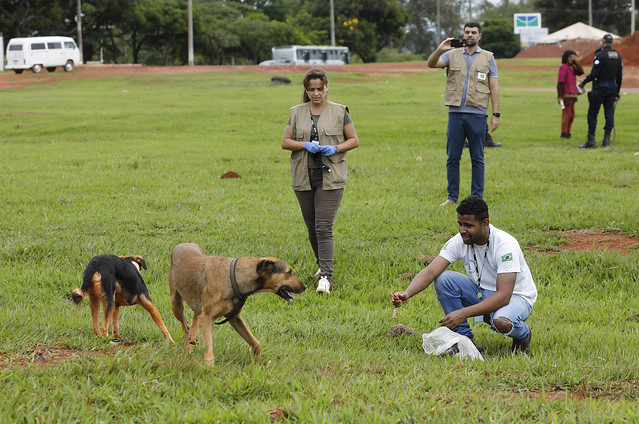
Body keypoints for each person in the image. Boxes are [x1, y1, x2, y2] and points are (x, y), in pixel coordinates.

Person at [391, 196, 537, 354]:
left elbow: (504, 296)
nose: (462, 230)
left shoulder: (505, 245)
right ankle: (463, 340)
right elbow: (430, 271)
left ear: (485, 223)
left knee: (500, 322)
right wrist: (406, 293)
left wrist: (463, 313)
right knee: (443, 279)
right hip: (483, 292)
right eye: (460, 224)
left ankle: (523, 335)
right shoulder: (460, 241)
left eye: (468, 225)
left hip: (516, 297)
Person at [281, 68, 359, 294]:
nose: (316, 93)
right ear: (306, 90)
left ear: (327, 87)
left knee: (324, 227)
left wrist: (336, 147)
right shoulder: (296, 112)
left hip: (331, 175)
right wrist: (304, 144)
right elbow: (285, 141)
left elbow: (353, 140)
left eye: (320, 89)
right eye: (311, 89)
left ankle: (325, 275)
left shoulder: (339, 111)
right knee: (312, 228)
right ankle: (321, 265)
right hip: (304, 174)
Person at [427, 22, 500, 207]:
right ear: (463, 34)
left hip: (478, 114)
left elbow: (494, 86)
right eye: (467, 32)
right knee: (452, 156)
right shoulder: (451, 54)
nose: (470, 35)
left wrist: (496, 113)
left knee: (477, 157)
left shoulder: (488, 57)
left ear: (480, 36)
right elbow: (431, 64)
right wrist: (440, 48)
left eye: (473, 32)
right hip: (456, 114)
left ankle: (477, 197)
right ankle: (452, 197)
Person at [578, 34, 623, 148]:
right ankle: (606, 140)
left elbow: (594, 73)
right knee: (609, 113)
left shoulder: (600, 55)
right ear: (611, 43)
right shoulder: (618, 55)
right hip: (612, 88)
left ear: (603, 42)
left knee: (592, 114)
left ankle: (591, 141)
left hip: (600, 88)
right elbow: (619, 75)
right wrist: (617, 91)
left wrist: (583, 82)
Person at [557, 50, 584, 139]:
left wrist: (576, 61)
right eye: (570, 57)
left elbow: (581, 72)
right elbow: (560, 82)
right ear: (566, 58)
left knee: (572, 115)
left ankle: (568, 132)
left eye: (573, 57)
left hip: (573, 94)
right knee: (566, 115)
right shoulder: (564, 67)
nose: (572, 59)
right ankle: (564, 132)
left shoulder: (573, 67)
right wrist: (560, 96)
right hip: (566, 95)